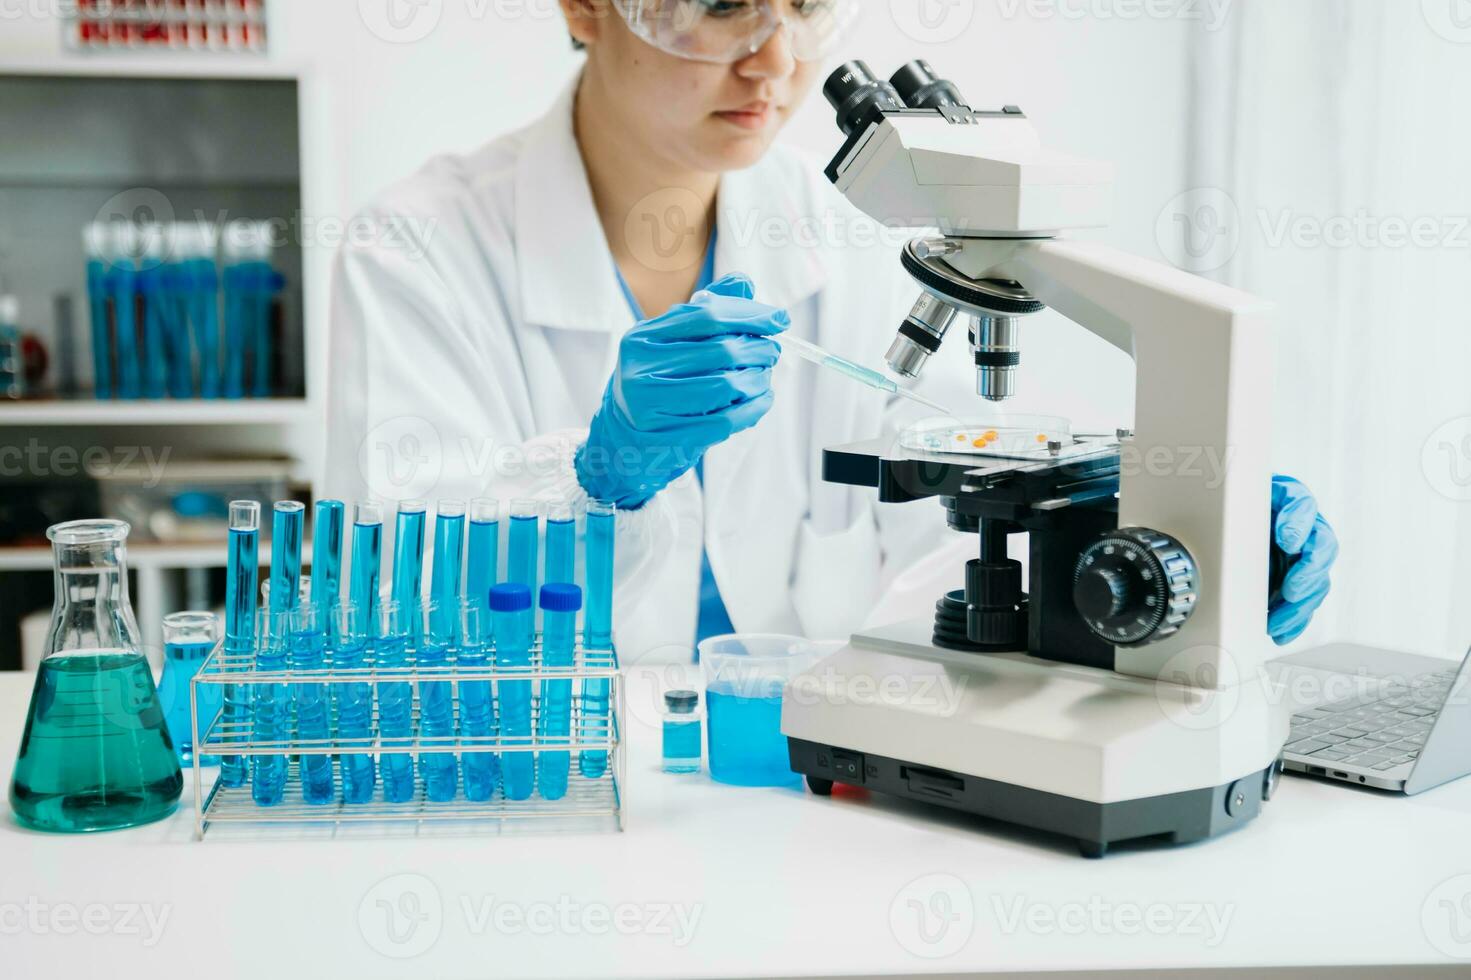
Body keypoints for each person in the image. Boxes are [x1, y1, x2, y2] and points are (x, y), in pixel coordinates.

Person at [326, 0, 1336, 659]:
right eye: (719, 6)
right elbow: (392, 605)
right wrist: (594, 483)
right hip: (560, 787)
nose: (775, 60)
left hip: (810, 791)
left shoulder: (850, 232)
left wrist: (1171, 534)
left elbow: (949, 543)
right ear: (587, 8)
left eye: (804, 7)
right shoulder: (413, 251)